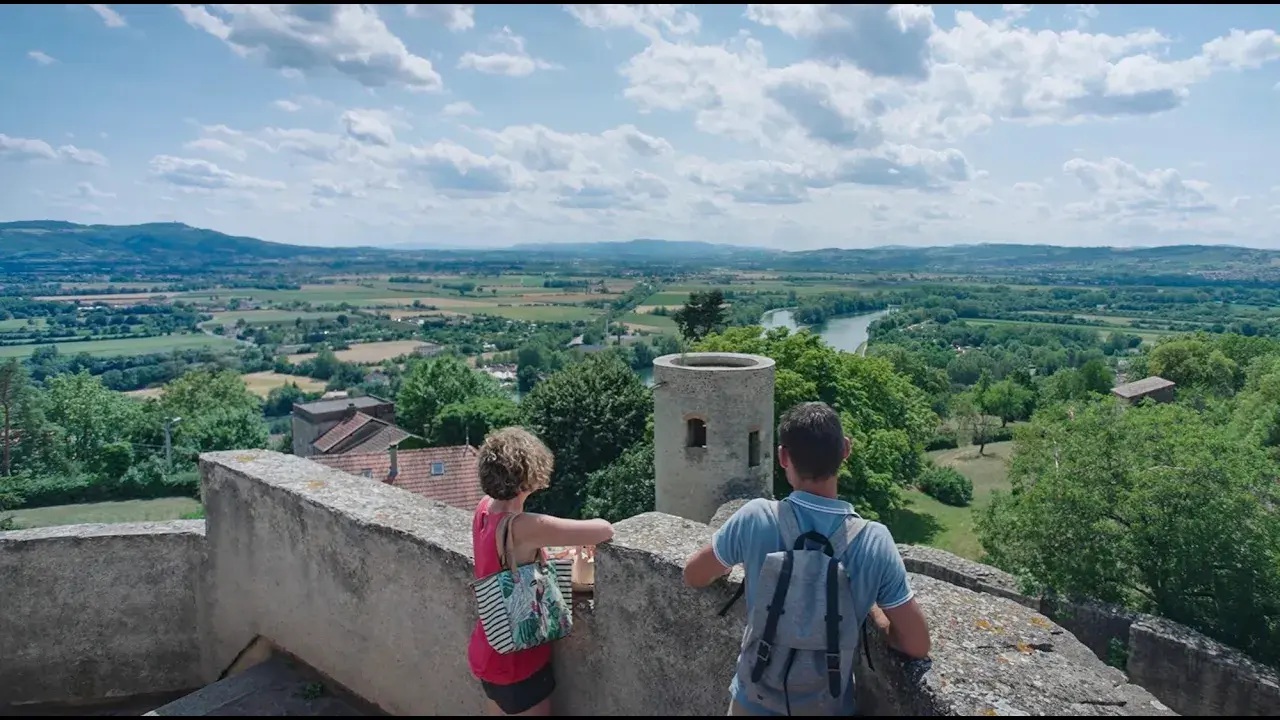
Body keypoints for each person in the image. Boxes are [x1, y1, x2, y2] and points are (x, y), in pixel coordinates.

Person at [683, 402, 932, 716]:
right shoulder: (874, 541)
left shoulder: (756, 517)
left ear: (783, 457)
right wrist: (877, 616)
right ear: (845, 450)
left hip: (753, 701)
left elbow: (693, 574)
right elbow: (917, 644)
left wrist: (736, 561)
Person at [468, 427, 615, 716]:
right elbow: (604, 529)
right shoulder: (524, 527)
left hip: (488, 646)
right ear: (530, 478)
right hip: (518, 660)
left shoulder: (484, 509)